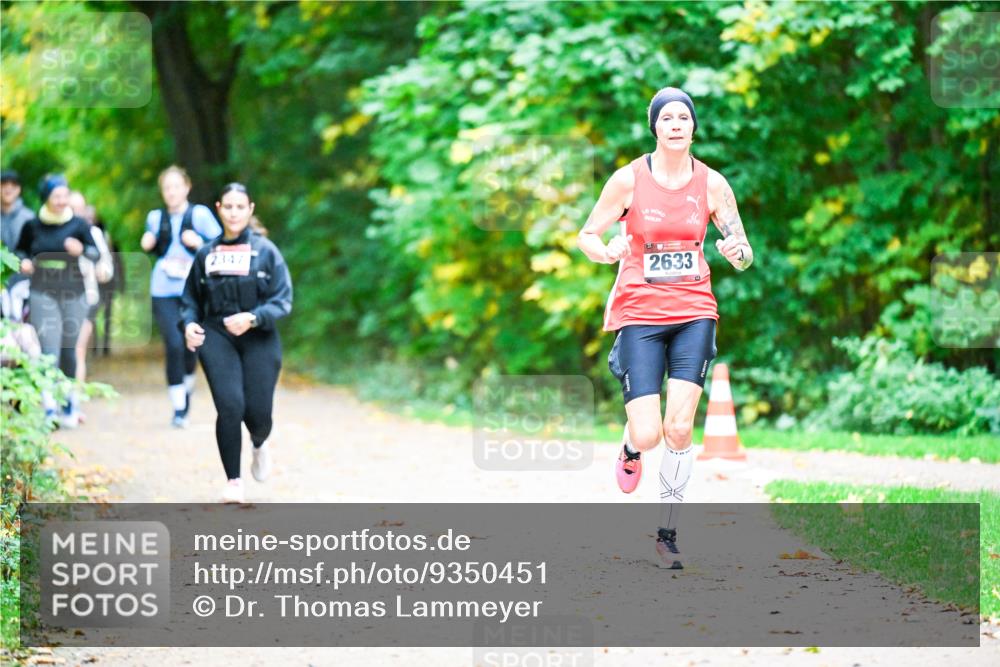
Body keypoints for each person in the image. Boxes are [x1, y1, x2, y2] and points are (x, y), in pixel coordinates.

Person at [577, 87, 754, 568]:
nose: (676, 125)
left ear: (693, 127)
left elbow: (743, 250)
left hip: (695, 310)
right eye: (667, 118)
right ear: (655, 126)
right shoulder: (628, 180)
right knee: (649, 433)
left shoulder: (713, 184)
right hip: (639, 313)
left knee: (678, 429)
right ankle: (631, 445)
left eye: (684, 117)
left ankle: (667, 535)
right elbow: (587, 234)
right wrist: (607, 252)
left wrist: (736, 252)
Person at [180, 183, 292, 503]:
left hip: (259, 336)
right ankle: (233, 481)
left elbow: (282, 300)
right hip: (217, 336)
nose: (233, 213)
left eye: (240, 207)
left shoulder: (266, 251)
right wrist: (189, 324)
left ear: (250, 209)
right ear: (218, 208)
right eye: (228, 207)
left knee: (258, 415)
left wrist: (253, 318)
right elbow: (190, 300)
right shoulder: (206, 253)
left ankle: (259, 442)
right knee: (230, 406)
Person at [15, 174, 102, 427]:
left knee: (68, 351)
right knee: (48, 350)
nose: (62, 200)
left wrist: (82, 250)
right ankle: (50, 407)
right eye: (57, 196)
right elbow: (20, 250)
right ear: (46, 198)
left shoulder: (79, 224)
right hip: (42, 292)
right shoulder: (32, 225)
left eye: (65, 195)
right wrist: (24, 262)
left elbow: (96, 254)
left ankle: (69, 403)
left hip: (74, 293)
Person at [140, 165, 222, 428]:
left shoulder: (200, 215)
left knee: (191, 346)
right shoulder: (155, 217)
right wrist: (148, 242)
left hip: (194, 291)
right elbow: (151, 243)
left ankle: (186, 388)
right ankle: (179, 409)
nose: (172, 192)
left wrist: (199, 242)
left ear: (187, 187)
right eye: (167, 187)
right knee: (174, 344)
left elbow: (221, 246)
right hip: (163, 290)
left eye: (176, 186)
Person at [69, 192, 114, 387]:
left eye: (80, 209)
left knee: (77, 349)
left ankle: (74, 398)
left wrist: (101, 271)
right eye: (72, 208)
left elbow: (107, 266)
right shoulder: (54, 231)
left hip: (87, 296)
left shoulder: (94, 233)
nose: (77, 213)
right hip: (55, 296)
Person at [1, 170, 35, 321]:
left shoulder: (29, 218)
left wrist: (30, 262)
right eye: (3, 184)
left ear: (18, 189)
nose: (8, 189)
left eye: (13, 185)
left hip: (23, 282)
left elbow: (37, 248)